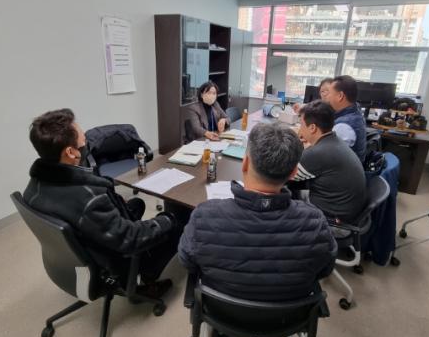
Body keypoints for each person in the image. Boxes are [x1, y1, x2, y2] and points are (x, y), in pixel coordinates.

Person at [23, 108, 186, 298]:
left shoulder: (34, 186)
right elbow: (130, 238)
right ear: (71, 152)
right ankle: (144, 278)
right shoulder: (89, 198)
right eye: (83, 140)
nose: (86, 144)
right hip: (114, 264)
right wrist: (167, 219)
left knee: (137, 204)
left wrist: (113, 203)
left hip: (83, 249)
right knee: (177, 224)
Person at [178, 123, 337, 303]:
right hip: (288, 315)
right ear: (293, 173)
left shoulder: (203, 217)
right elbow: (325, 269)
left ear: (245, 163)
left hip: (220, 311)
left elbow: (187, 261)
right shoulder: (315, 222)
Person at [290, 100, 366, 224]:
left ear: (312, 128)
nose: (300, 129)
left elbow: (286, 175)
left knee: (280, 194)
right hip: (346, 209)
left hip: (333, 220)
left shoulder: (317, 153)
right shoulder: (334, 141)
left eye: (301, 124)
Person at [325, 75, 367, 162]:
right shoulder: (355, 111)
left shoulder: (343, 126)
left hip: (342, 170)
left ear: (340, 96)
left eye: (329, 93)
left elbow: (328, 157)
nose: (327, 97)